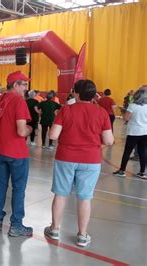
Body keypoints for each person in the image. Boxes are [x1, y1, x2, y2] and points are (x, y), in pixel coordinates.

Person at [44, 79, 114, 247]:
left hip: (65, 157)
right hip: (90, 159)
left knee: (61, 194)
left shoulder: (66, 110)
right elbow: (109, 140)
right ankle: (82, 235)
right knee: (85, 198)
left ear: (76, 93)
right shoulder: (102, 112)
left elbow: (53, 136)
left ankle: (54, 229)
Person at [0, 70, 33, 237]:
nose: (26, 88)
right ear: (15, 85)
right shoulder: (19, 101)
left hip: (0, 150)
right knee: (18, 188)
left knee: (1, 184)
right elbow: (22, 131)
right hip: (16, 152)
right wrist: (30, 128)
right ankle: (16, 225)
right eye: (24, 85)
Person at [113, 87, 147, 179]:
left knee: (127, 151)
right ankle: (142, 172)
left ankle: (122, 170)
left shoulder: (132, 106)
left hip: (134, 132)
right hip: (144, 132)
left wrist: (123, 111)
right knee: (142, 152)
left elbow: (126, 118)